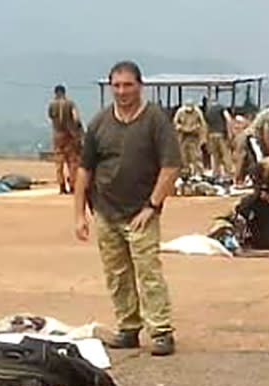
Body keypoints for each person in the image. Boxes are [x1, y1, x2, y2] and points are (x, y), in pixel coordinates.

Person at [75, 61, 181, 356]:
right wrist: (79, 215)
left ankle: (160, 331)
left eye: (128, 85)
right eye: (117, 85)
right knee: (117, 274)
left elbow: (171, 166)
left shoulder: (155, 121)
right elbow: (84, 170)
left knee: (148, 271)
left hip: (141, 212)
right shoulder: (99, 124)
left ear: (139, 86)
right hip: (106, 210)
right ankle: (128, 327)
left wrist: (153, 205)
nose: (122, 91)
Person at [234, 101, 269, 185]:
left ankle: (244, 180)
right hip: (252, 138)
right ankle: (253, 180)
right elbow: (267, 135)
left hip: (256, 139)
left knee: (249, 160)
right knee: (259, 160)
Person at [48, 84, 83, 194]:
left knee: (59, 163)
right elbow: (76, 119)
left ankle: (61, 186)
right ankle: (72, 185)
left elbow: (50, 117)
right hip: (70, 136)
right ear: (64, 92)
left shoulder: (52, 105)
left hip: (57, 136)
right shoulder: (70, 104)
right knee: (72, 162)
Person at [172, 100, 207, 178]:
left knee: (196, 155)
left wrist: (202, 137)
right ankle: (185, 172)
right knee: (183, 155)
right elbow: (175, 123)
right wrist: (180, 128)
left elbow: (203, 124)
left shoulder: (198, 112)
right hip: (183, 136)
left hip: (194, 136)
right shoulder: (180, 112)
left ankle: (199, 173)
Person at [204, 98, 234, 178]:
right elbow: (228, 119)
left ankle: (216, 173)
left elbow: (206, 125)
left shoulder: (208, 110)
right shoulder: (221, 107)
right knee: (226, 154)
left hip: (211, 135)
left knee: (214, 155)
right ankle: (229, 173)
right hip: (221, 134)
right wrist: (230, 133)